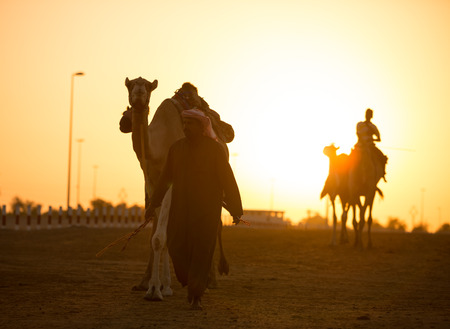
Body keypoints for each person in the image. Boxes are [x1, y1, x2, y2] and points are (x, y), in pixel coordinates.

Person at [145, 108, 243, 310]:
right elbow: (165, 179)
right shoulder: (176, 149)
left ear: (201, 127)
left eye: (190, 123)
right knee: (175, 245)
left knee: (201, 252)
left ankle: (196, 294)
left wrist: (235, 209)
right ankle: (191, 281)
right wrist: (153, 203)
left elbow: (228, 180)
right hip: (180, 208)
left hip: (207, 211)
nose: (185, 127)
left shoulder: (214, 150)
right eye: (184, 124)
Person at [355, 108, 387, 181]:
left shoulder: (373, 127)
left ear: (371, 116)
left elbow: (379, 138)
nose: (368, 116)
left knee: (382, 157)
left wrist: (372, 139)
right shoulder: (360, 124)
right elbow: (358, 134)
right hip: (359, 147)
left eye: (369, 114)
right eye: (367, 114)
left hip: (370, 147)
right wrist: (363, 141)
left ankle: (383, 174)